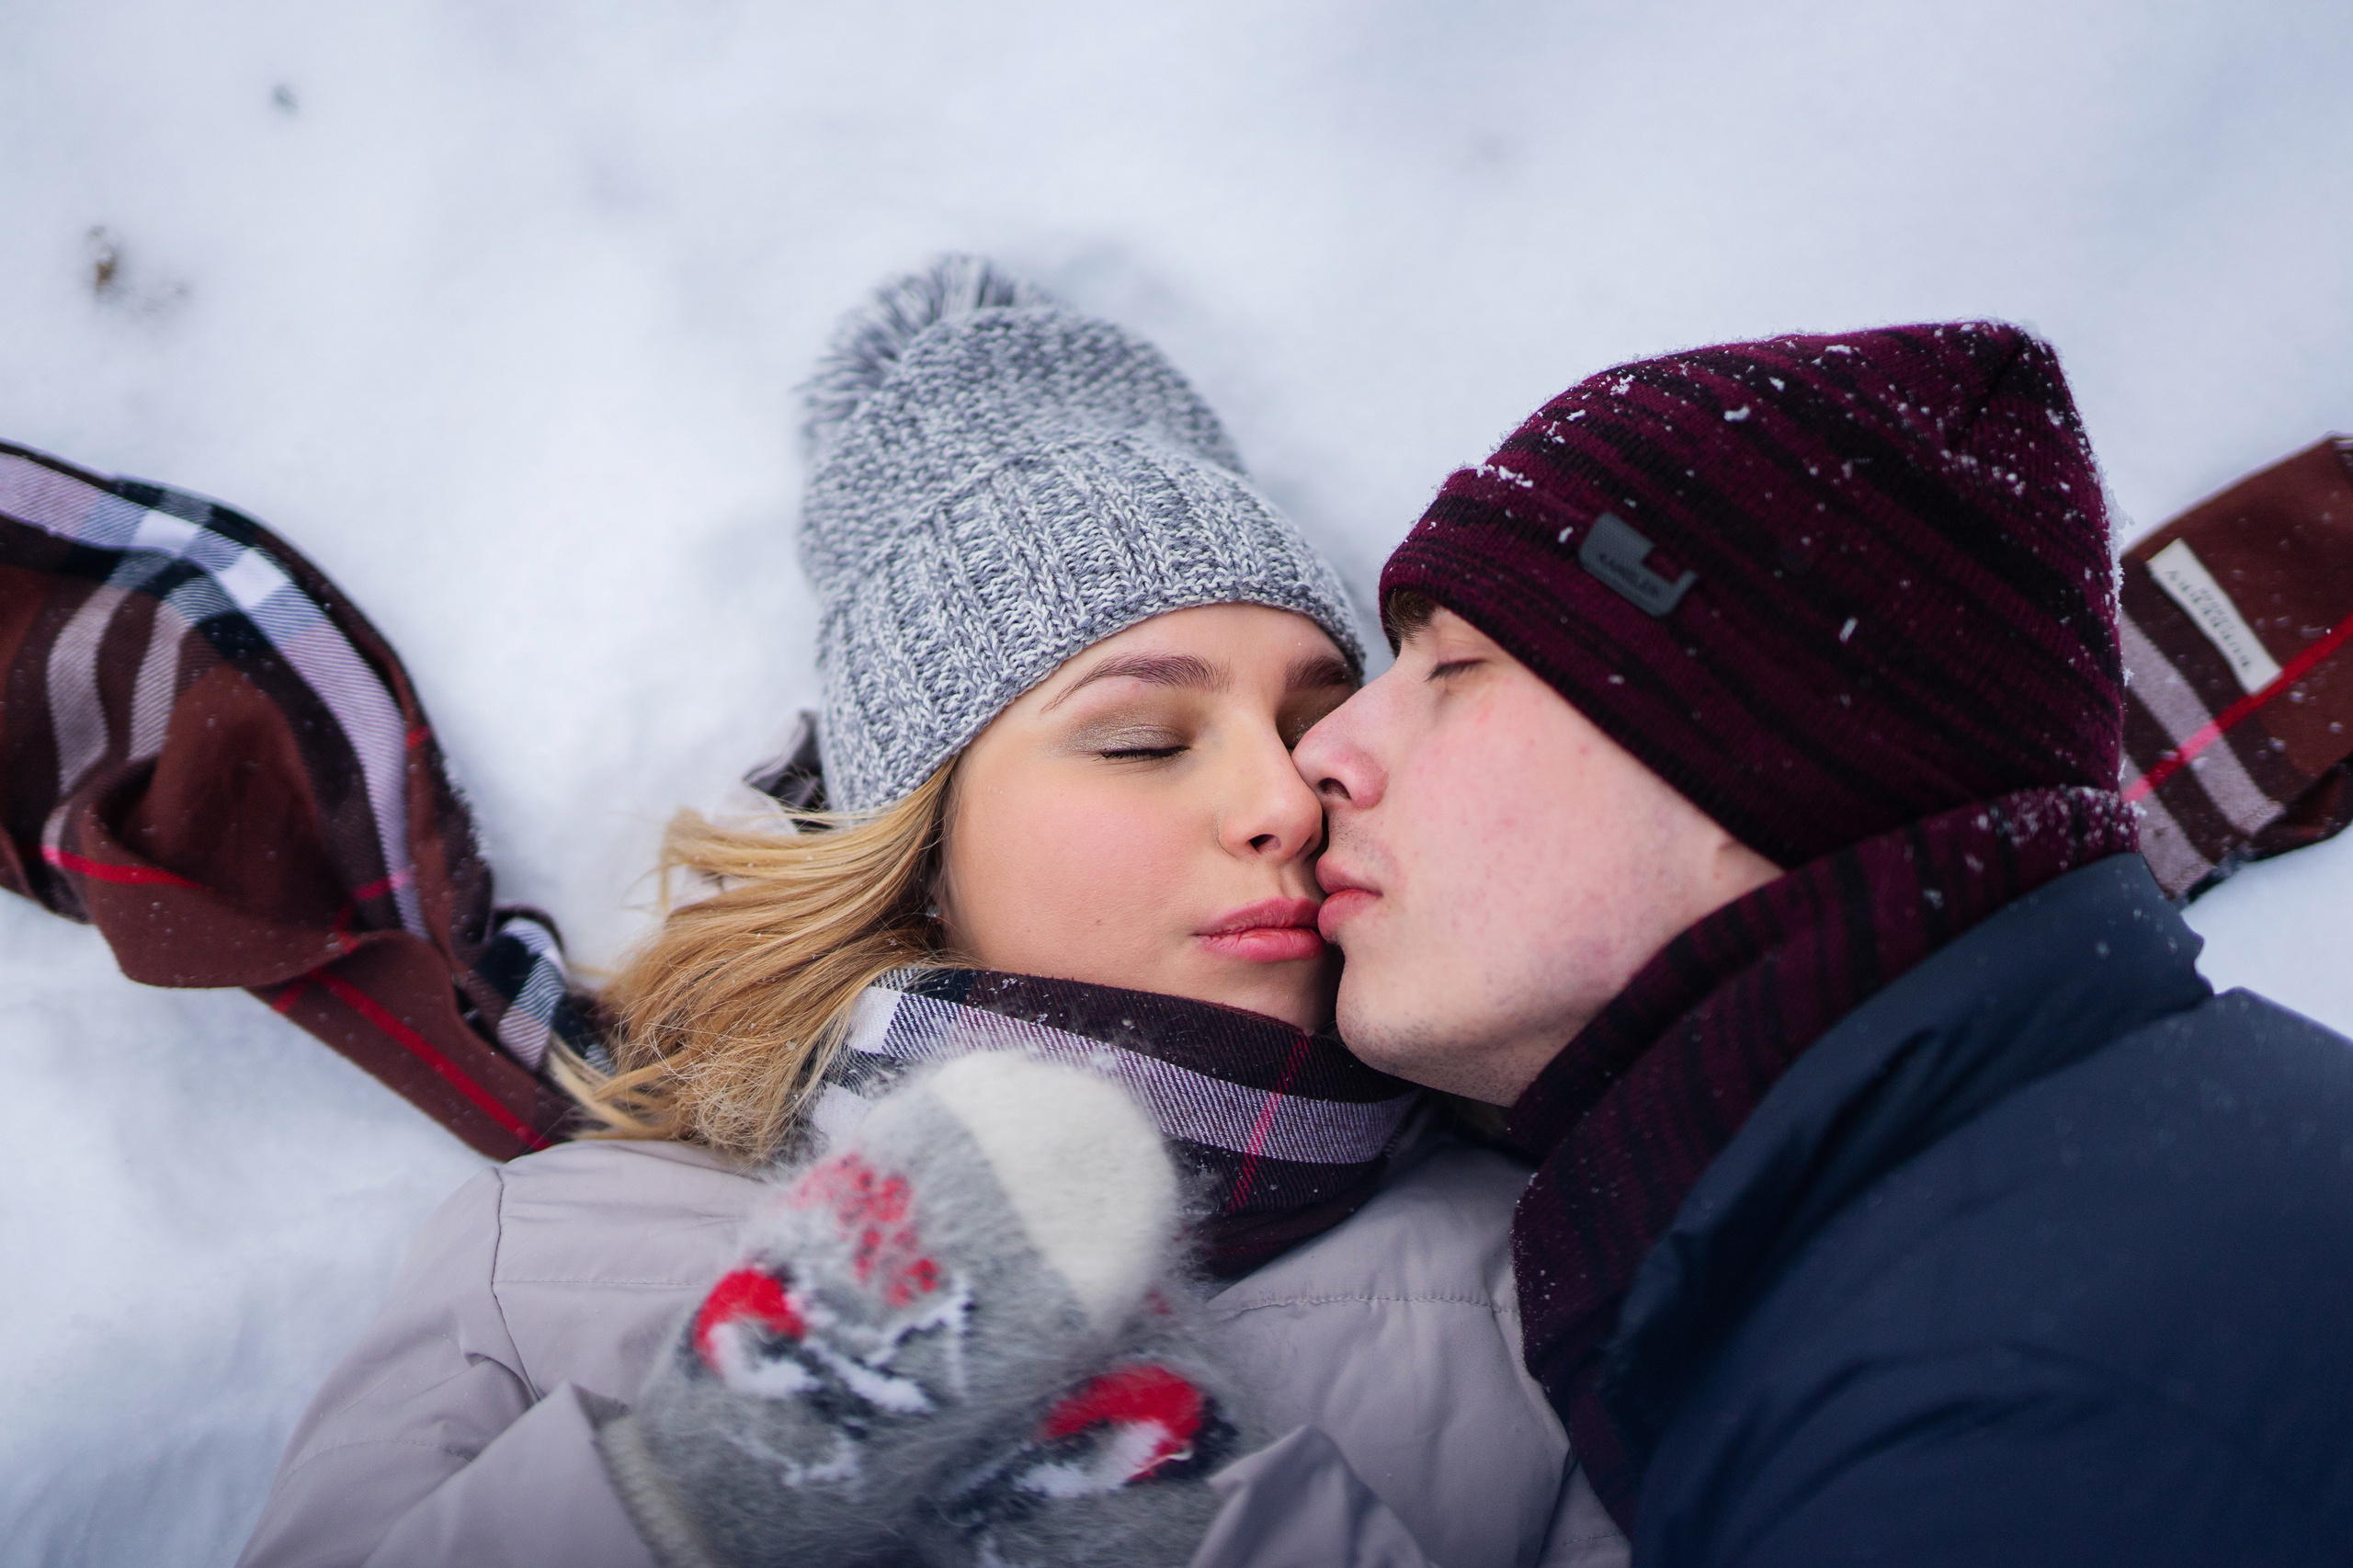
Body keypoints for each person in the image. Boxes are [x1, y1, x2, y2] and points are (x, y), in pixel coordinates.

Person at [236, 259, 1623, 1567]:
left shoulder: (1562, 1271)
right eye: (1144, 739)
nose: (1283, 798)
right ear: (923, 844)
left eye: (1318, 728)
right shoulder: (538, 1258)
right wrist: (685, 1497)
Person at [1291, 323, 2353, 1563]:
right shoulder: (2022, 1215)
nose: (1322, 756)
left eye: (1456, 665)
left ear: (1766, 756)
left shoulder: (1997, 1413)